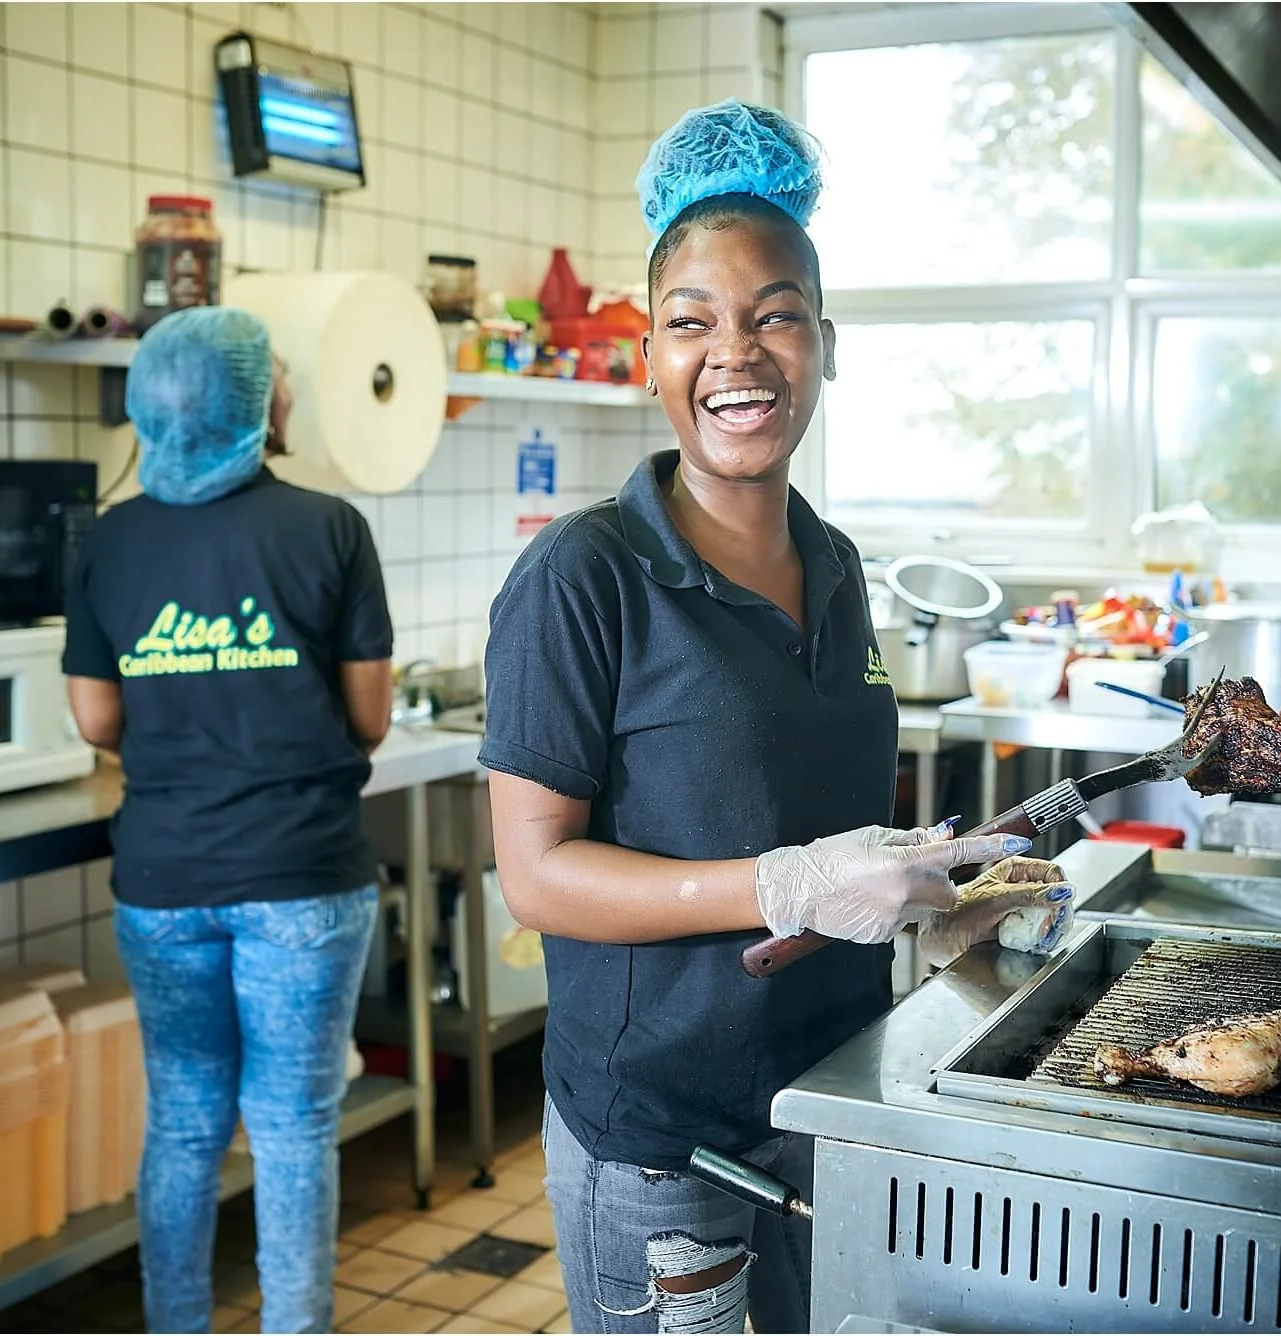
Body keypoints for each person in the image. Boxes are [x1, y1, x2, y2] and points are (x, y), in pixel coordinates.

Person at [479, 101, 1056, 1335]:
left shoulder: (837, 565)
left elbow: (821, 816)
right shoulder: (583, 577)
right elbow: (535, 874)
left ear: (826, 344)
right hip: (659, 1138)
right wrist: (784, 884)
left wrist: (931, 904)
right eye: (690, 322)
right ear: (647, 356)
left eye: (773, 316)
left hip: (829, 1099)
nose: (733, 354)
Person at [62, 306, 396, 1335]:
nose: (286, 391)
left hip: (163, 883)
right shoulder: (329, 529)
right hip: (301, 878)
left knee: (184, 1124)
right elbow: (370, 717)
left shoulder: (108, 540)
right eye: (278, 378)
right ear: (254, 406)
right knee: (291, 1130)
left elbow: (95, 716)